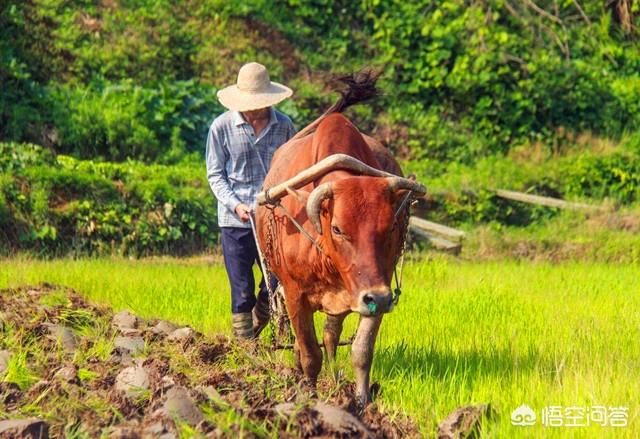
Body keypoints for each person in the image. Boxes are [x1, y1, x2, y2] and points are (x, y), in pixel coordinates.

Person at [206, 62, 296, 339]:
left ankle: (257, 323)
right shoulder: (221, 127)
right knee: (241, 288)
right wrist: (235, 204)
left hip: (274, 219)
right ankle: (244, 347)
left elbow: (293, 170)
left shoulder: (284, 126)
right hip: (235, 220)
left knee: (275, 282)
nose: (254, 108)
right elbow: (215, 174)